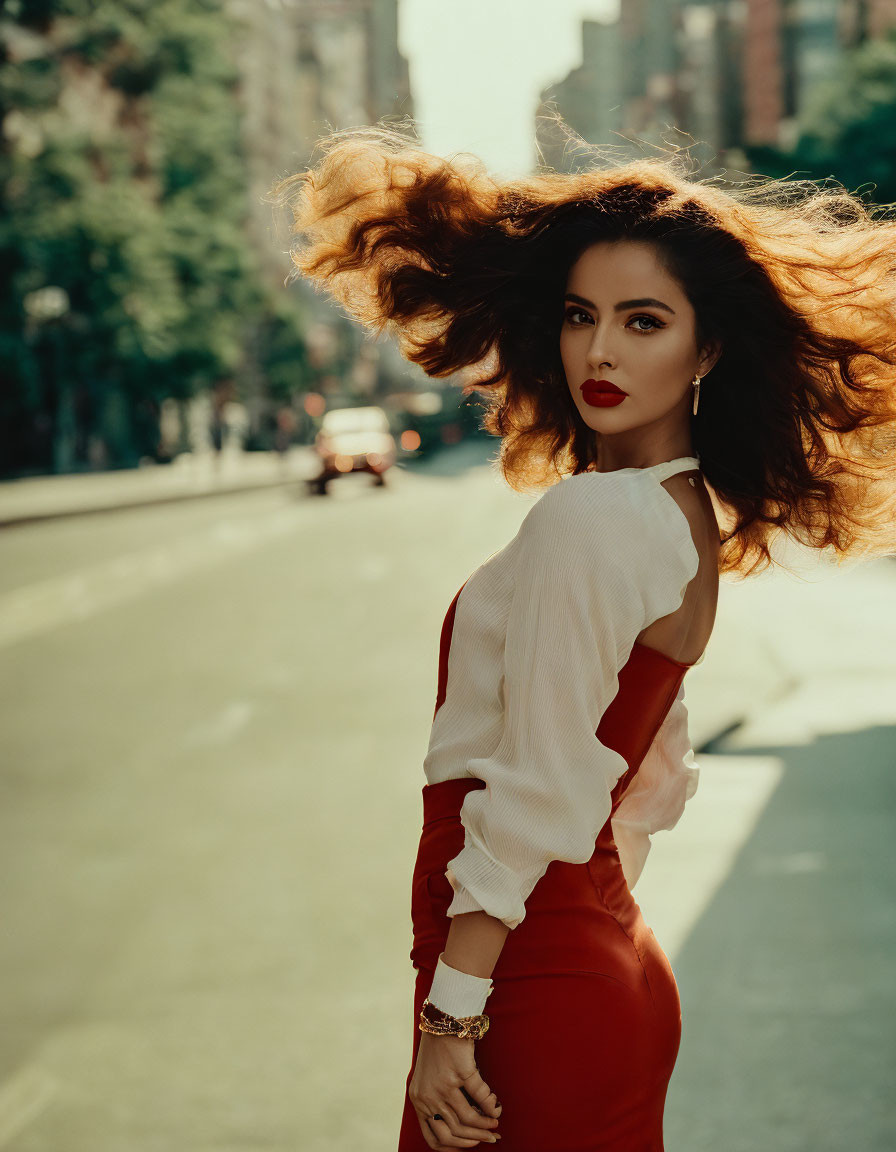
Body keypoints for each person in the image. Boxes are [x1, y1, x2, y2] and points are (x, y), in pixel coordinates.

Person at [269, 122, 896, 1151]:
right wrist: (577, 933)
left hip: (529, 990)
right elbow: (646, 781)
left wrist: (452, 1012)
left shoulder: (594, 518)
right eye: (578, 316)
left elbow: (540, 783)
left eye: (641, 321)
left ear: (706, 348)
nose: (598, 351)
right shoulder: (682, 511)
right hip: (591, 964)